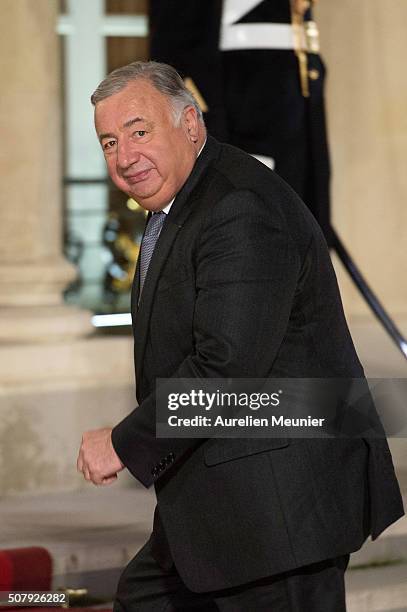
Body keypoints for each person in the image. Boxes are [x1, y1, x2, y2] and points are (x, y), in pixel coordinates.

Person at [77, 61, 404, 611]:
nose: (124, 157)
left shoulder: (240, 207)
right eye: (109, 142)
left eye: (139, 131)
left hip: (279, 517)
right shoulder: (185, 203)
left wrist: (123, 442)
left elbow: (226, 370)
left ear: (190, 126)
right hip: (222, 508)